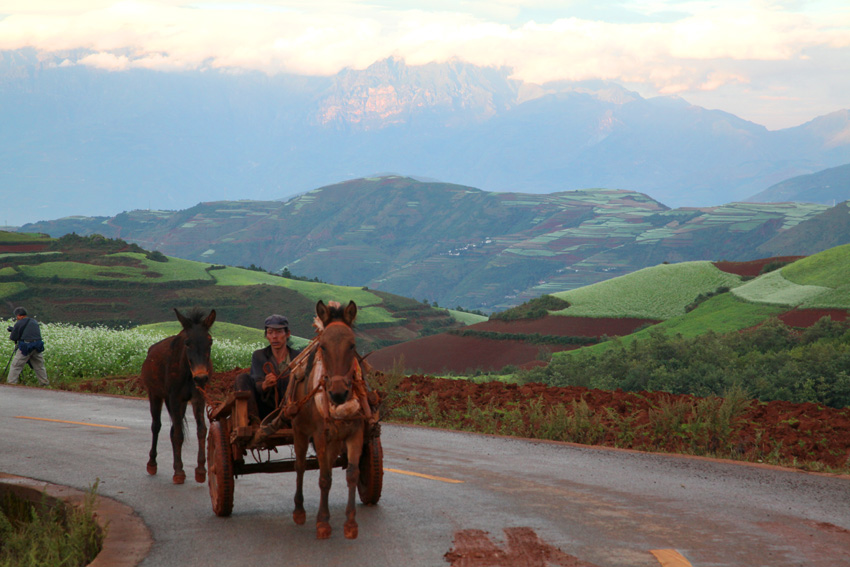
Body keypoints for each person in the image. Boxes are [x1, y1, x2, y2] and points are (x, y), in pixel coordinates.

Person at [234, 314, 302, 421]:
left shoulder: (298, 357)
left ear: (287, 334)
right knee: (242, 378)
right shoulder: (259, 356)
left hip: (292, 408)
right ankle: (253, 420)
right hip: (265, 409)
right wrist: (265, 384)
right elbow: (256, 383)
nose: (274, 336)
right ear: (266, 336)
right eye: (270, 332)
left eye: (279, 332)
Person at [6, 307, 49, 386]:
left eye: (17, 316)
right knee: (39, 366)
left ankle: (11, 383)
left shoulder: (19, 323)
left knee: (16, 365)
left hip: (26, 348)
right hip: (37, 347)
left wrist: (13, 330)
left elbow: (13, 337)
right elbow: (30, 333)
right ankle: (44, 384)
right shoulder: (34, 321)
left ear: (19, 316)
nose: (17, 318)